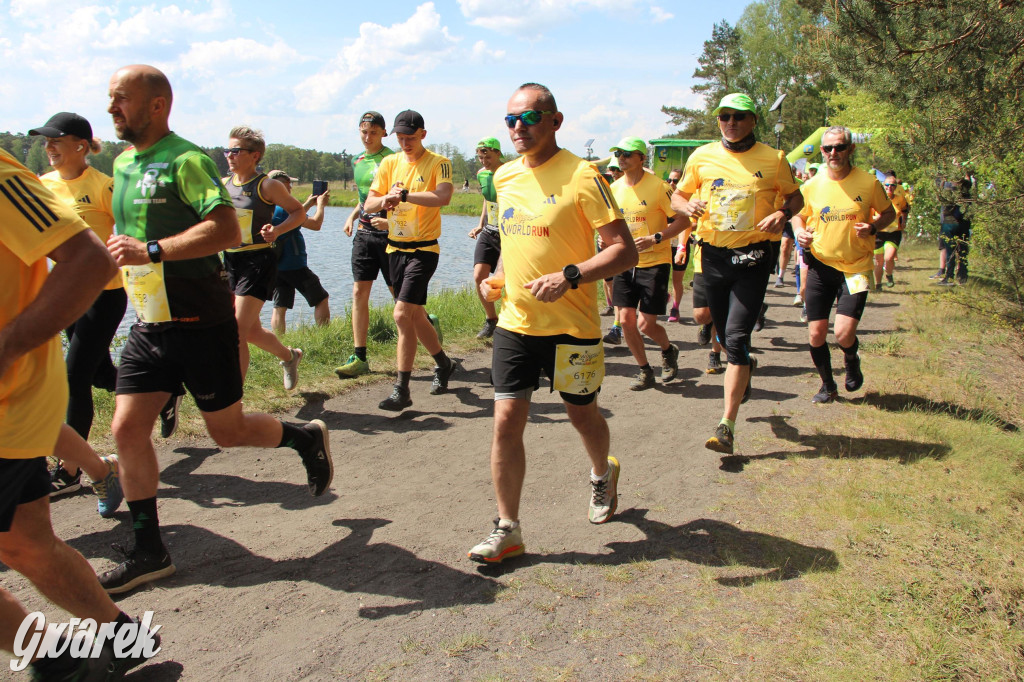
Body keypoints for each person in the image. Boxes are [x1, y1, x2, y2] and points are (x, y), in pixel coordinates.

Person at [102, 64, 333, 593]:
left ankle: (302, 437)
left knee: (226, 433)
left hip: (200, 320)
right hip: (149, 321)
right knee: (125, 429)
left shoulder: (184, 160)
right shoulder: (122, 163)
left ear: (157, 104)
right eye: (109, 99)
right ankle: (149, 549)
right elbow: (126, 240)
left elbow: (225, 227)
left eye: (121, 99)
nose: (112, 108)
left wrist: (154, 251)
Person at [0, 148, 160, 679]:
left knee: (27, 544)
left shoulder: (4, 178)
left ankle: (53, 659)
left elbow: (90, 259)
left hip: (8, 406)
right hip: (17, 413)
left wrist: (7, 348)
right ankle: (116, 638)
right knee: (28, 544)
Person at [467, 83, 638, 564]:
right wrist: (498, 277)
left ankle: (602, 473)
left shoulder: (584, 176)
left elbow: (624, 250)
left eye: (530, 118)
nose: (519, 128)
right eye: (510, 120)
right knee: (505, 422)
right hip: (516, 324)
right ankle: (508, 529)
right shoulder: (502, 176)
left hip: (573, 327)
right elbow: (511, 239)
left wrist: (572, 275)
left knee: (582, 416)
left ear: (556, 121)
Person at [672, 93, 802, 455]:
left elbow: (796, 197)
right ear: (718, 122)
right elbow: (676, 198)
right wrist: (688, 204)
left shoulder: (774, 159)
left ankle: (726, 424)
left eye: (739, 116)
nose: (731, 122)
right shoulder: (702, 156)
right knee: (722, 332)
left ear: (753, 120)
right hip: (712, 256)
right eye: (724, 116)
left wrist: (783, 214)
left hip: (754, 256)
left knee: (736, 336)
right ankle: (744, 363)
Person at [27, 112, 124, 513]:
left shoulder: (104, 187)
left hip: (105, 294)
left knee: (74, 376)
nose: (48, 148)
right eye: (45, 142)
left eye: (57, 141)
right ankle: (161, 389)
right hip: (64, 294)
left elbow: (129, 233)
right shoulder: (41, 185)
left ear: (81, 146)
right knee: (101, 374)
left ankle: (70, 472)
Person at [792, 126, 894, 403]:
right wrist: (799, 231)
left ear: (851, 150)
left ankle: (851, 358)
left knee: (844, 333)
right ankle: (827, 386)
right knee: (816, 333)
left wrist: (873, 228)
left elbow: (889, 213)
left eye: (839, 147)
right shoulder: (812, 185)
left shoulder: (869, 183)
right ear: (822, 152)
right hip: (820, 266)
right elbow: (797, 216)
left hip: (857, 267)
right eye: (828, 148)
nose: (833, 153)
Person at [363, 110, 456, 411]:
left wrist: (406, 196)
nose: (405, 143)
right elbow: (369, 203)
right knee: (415, 315)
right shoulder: (390, 163)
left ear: (423, 135)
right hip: (395, 248)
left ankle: (401, 389)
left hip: (424, 249)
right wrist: (385, 199)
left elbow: (443, 197)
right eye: (400, 138)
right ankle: (443, 363)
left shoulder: (439, 163)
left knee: (402, 315)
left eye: (410, 138)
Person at [221, 126, 306, 387]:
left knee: (236, 331)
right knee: (251, 331)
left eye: (236, 151)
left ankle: (233, 399)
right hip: (231, 261)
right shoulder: (224, 185)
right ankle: (289, 356)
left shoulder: (266, 185)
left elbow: (298, 212)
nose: (229, 155)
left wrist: (277, 230)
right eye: (228, 150)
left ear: (255, 155)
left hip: (258, 261)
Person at [607, 137, 688, 390]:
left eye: (628, 154)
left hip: (655, 262)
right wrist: (605, 240)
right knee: (627, 320)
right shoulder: (614, 188)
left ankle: (667, 349)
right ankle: (644, 370)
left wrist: (656, 237)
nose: (622, 157)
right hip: (624, 263)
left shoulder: (660, 187)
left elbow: (683, 221)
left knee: (645, 323)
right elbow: (608, 223)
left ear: (642, 158)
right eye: (619, 153)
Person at [336, 112, 395, 378]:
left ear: (383, 132)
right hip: (363, 232)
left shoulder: (393, 159)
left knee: (400, 297)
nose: (367, 137)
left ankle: (427, 324)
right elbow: (365, 198)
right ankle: (359, 356)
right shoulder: (357, 161)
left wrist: (392, 225)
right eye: (363, 132)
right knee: (360, 292)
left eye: (373, 132)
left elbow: (402, 198)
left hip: (391, 235)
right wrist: (351, 217)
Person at [269, 170, 331, 334]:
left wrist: (307, 204)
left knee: (280, 305)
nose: (289, 189)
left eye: (290, 185)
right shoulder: (283, 209)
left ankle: (280, 342)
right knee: (321, 298)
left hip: (276, 265)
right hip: (294, 264)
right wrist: (320, 205)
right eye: (285, 185)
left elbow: (292, 216)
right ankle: (325, 337)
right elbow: (315, 224)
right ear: (275, 187)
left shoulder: (269, 208)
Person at [467, 137, 504, 339]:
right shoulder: (482, 174)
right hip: (489, 231)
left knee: (511, 281)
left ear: (498, 153)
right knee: (478, 275)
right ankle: (491, 320)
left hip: (508, 234)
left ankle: (514, 323)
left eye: (487, 156)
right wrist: (480, 225)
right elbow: (486, 199)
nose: (484, 161)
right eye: (480, 157)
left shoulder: (509, 173)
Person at [685, 239, 726, 374]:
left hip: (729, 261)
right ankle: (707, 322)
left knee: (721, 312)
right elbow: (687, 224)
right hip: (702, 262)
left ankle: (715, 354)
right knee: (701, 316)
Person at [873, 172, 909, 290]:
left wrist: (904, 221)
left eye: (893, 185)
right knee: (878, 261)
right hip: (878, 232)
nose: (890, 187)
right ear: (883, 186)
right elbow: (870, 214)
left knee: (889, 258)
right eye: (887, 185)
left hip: (893, 232)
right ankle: (878, 284)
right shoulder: (877, 199)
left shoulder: (900, 199)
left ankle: (888, 274)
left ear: (896, 187)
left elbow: (905, 210)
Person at [665, 168, 690, 323]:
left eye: (675, 180)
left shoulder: (685, 200)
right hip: (664, 245)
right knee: (659, 276)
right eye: (669, 180)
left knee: (676, 279)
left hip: (680, 244)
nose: (671, 183)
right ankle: (664, 295)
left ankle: (675, 308)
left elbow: (690, 224)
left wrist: (682, 246)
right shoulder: (664, 197)